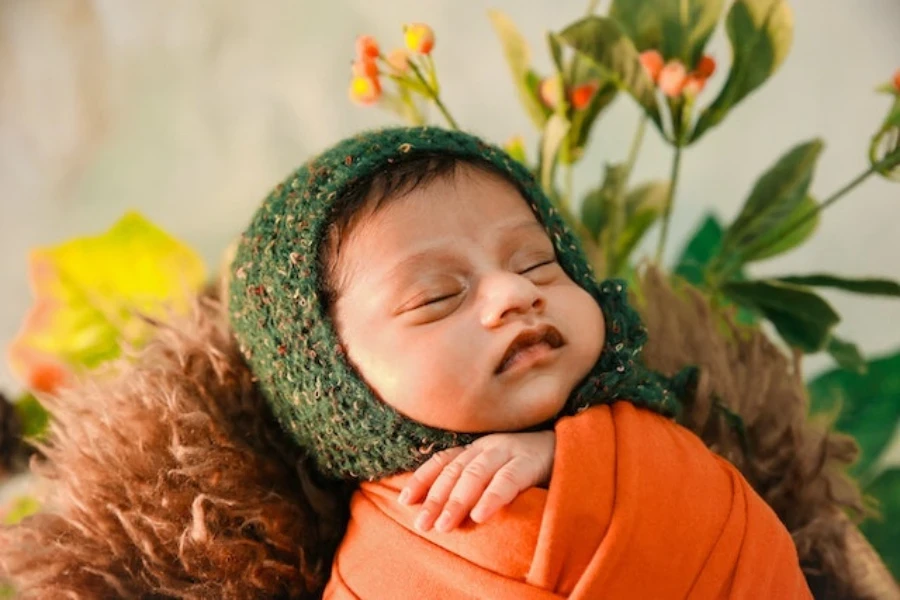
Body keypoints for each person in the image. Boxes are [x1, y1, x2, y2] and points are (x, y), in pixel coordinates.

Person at [226, 126, 812, 598]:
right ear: (332, 384)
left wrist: (575, 457)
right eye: (436, 297)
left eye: (536, 263)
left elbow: (734, 536)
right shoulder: (377, 570)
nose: (514, 293)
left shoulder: (656, 442)